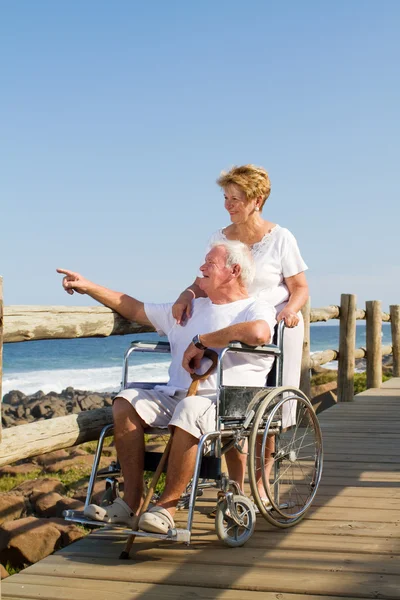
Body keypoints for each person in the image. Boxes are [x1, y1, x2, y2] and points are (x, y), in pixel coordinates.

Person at [57, 240, 276, 535]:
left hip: (226, 401)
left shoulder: (253, 306)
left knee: (190, 408)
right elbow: (132, 308)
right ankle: (131, 502)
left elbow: (260, 333)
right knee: (126, 401)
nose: (201, 268)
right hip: (177, 394)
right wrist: (88, 286)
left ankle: (167, 508)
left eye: (209, 263)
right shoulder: (188, 308)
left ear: (233, 270)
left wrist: (202, 341)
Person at [173, 164, 309, 391]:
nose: (228, 205)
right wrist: (185, 296)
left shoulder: (280, 238)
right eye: (226, 197)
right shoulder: (218, 238)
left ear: (257, 201)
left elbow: (300, 287)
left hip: (264, 324)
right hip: (224, 323)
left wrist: (290, 309)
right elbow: (200, 283)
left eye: (235, 199)